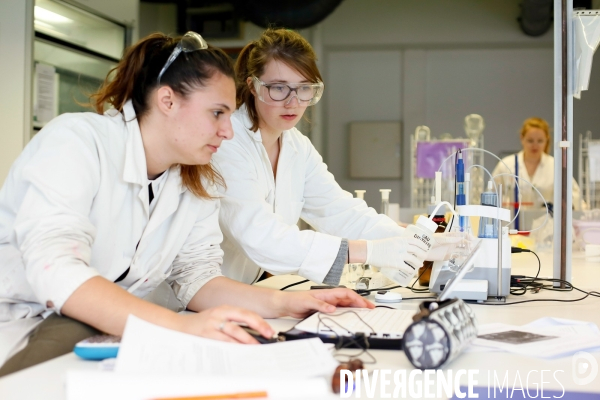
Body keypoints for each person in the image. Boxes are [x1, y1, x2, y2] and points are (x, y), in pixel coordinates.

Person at [0, 32, 372, 376]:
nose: (228, 131)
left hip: (109, 335)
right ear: (168, 100)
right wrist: (181, 326)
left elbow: (197, 278)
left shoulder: (192, 177)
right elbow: (56, 270)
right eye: (217, 113)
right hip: (25, 324)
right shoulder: (78, 142)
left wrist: (287, 304)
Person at [213, 28, 461, 285]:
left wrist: (416, 241)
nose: (293, 102)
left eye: (304, 88)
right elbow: (262, 238)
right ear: (253, 86)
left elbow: (341, 213)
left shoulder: (298, 147)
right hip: (194, 301)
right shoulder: (226, 141)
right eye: (278, 88)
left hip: (242, 292)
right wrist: (371, 251)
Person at [491, 117, 585, 211]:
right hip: (513, 223)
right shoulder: (506, 164)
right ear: (522, 138)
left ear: (546, 140)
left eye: (540, 141)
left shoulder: (556, 166)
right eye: (530, 141)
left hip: (547, 223)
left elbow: (575, 198)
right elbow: (491, 195)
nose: (535, 145)